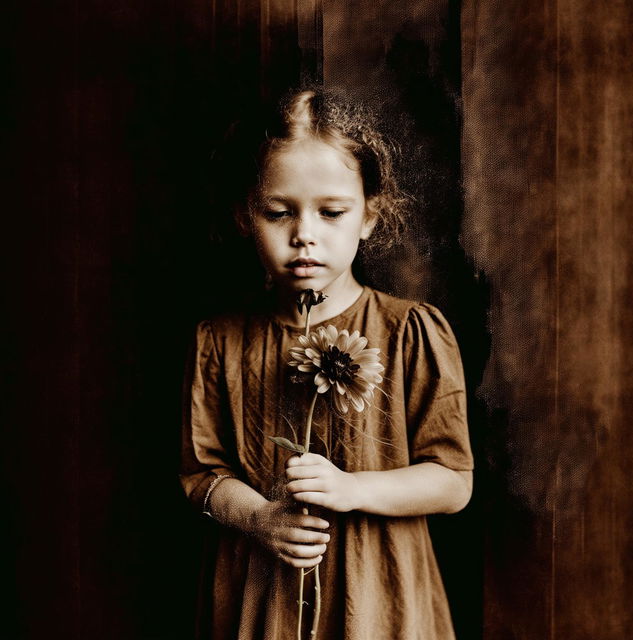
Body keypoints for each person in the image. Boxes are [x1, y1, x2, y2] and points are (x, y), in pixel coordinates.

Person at [180, 88, 473, 640]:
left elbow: (453, 481)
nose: (304, 235)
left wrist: (353, 489)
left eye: (332, 212)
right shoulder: (219, 341)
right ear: (247, 214)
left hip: (380, 593)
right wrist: (257, 518)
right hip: (263, 592)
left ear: (368, 216)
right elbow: (202, 475)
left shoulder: (410, 331)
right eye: (278, 212)